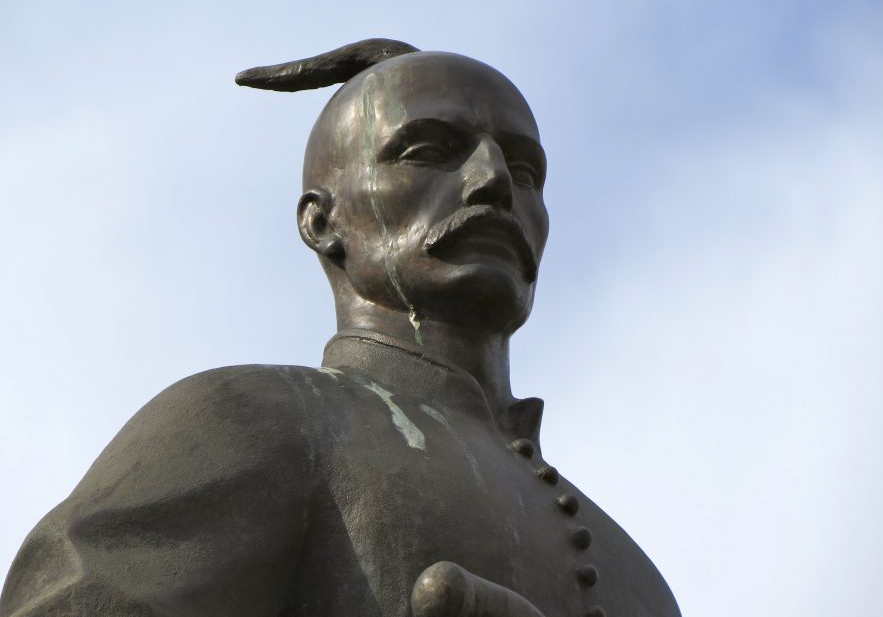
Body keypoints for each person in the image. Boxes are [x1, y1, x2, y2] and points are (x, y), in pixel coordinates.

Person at [0, 41, 682, 617]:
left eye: (525, 170)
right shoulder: (251, 419)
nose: (493, 181)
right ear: (322, 222)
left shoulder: (643, 583)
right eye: (427, 151)